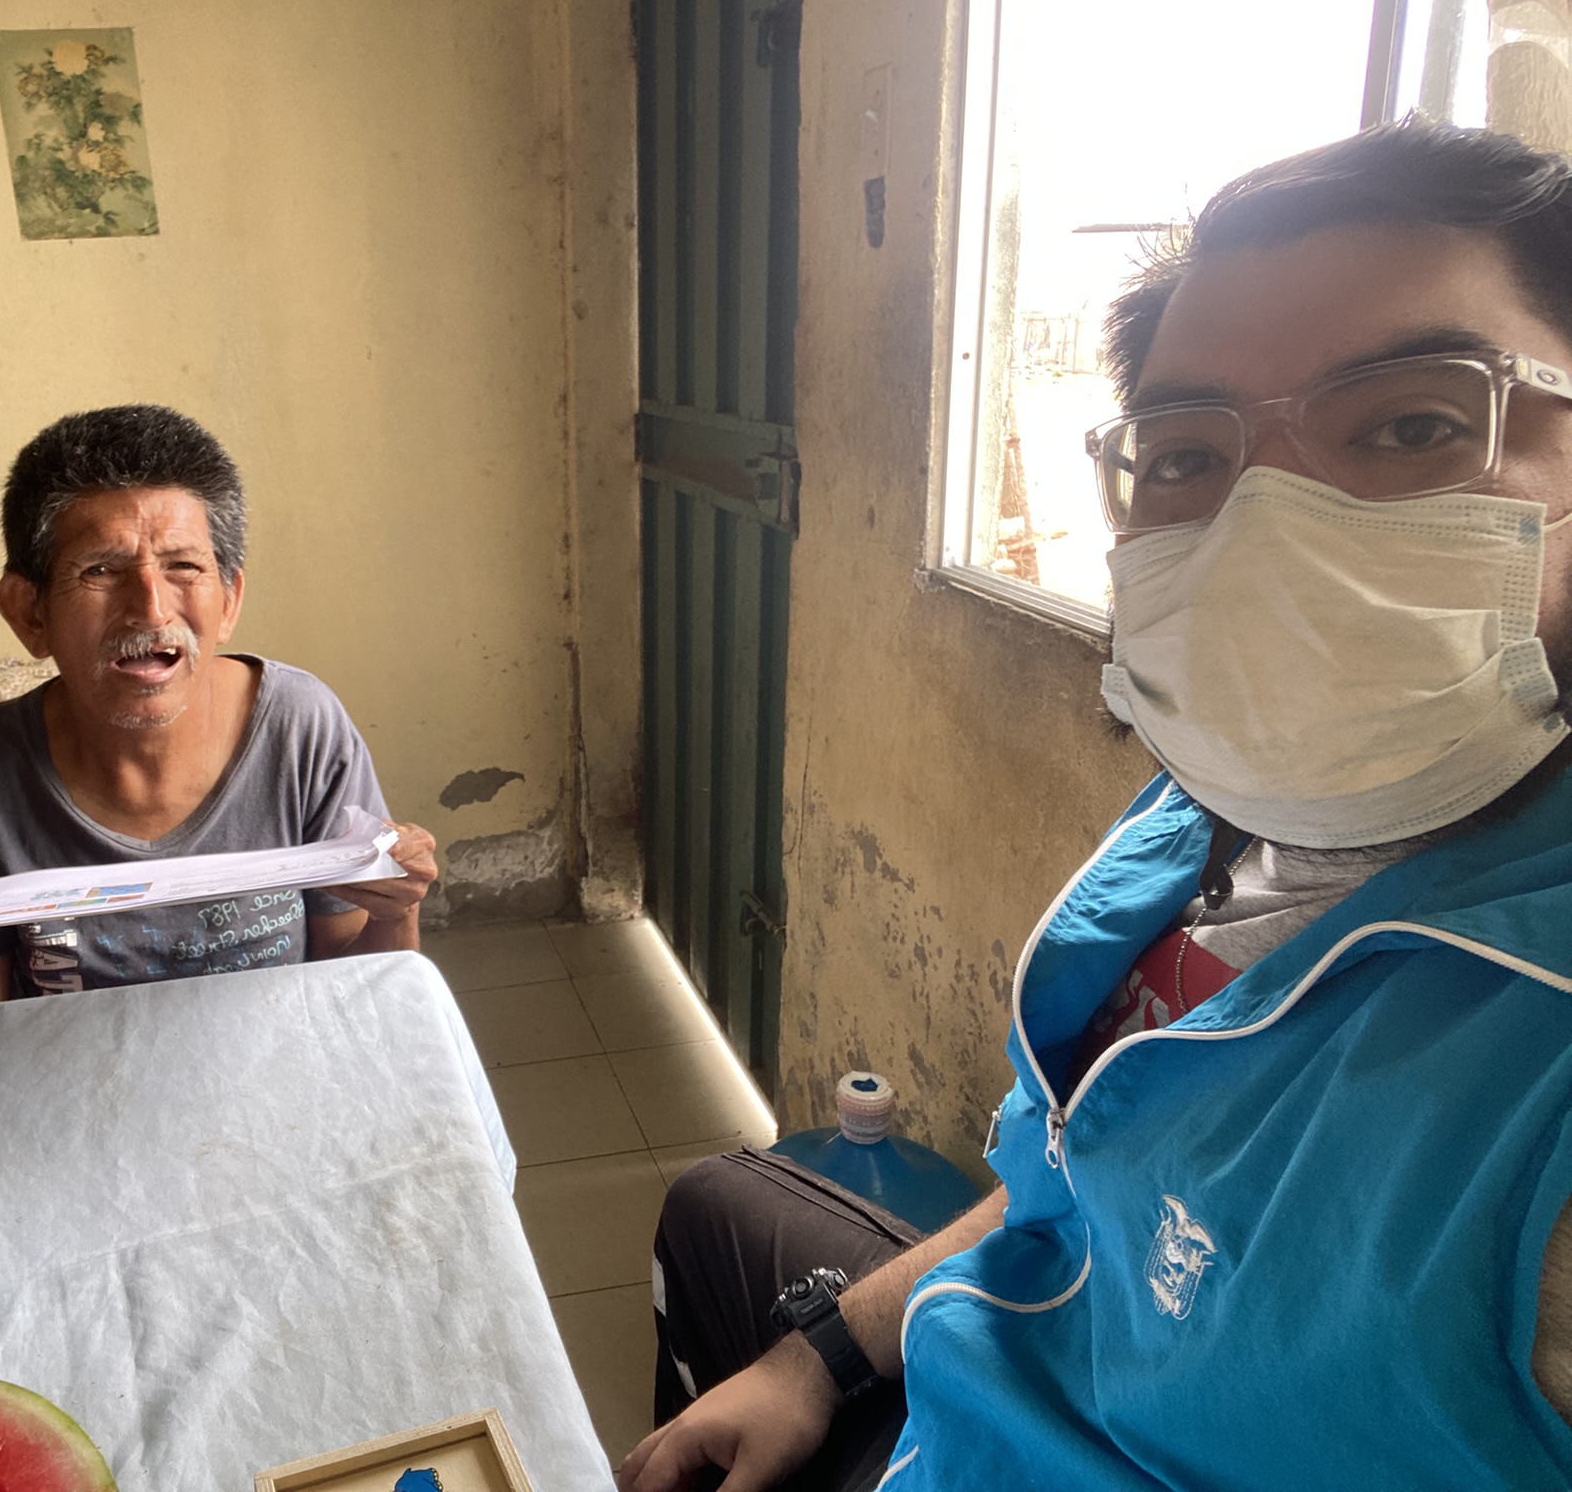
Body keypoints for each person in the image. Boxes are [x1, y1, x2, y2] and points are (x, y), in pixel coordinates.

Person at [625, 117, 1572, 1491]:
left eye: (1411, 425)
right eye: (1184, 457)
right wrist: (816, 1361)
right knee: (715, 1208)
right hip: (976, 1390)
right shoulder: (1204, 816)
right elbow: (1080, 1175)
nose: (1266, 533)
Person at [0, 405, 439, 1014]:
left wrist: (396, 911)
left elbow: (357, 993)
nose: (151, 610)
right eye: (100, 570)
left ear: (229, 601)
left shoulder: (300, 728)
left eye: (184, 566)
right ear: (30, 612)